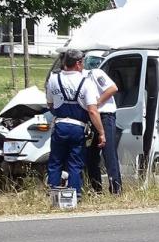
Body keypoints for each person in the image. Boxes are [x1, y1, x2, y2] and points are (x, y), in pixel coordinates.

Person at [45, 49, 104, 198]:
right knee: (75, 163)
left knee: (55, 161)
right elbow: (92, 111)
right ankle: (74, 195)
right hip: (78, 127)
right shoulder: (86, 83)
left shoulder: (53, 79)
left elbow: (50, 104)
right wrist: (101, 132)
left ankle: (53, 193)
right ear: (78, 63)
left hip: (59, 125)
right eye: (82, 62)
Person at [83, 61, 121, 194]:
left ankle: (116, 189)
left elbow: (112, 88)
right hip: (91, 116)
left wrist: (97, 102)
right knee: (91, 155)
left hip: (104, 115)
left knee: (109, 153)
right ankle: (96, 189)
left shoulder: (95, 73)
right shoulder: (79, 78)